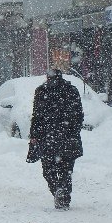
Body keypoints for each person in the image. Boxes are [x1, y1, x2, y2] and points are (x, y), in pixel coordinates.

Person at [27, 68, 84, 210]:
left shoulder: (41, 91)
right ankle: (63, 193)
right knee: (66, 170)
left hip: (48, 138)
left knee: (48, 170)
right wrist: (73, 132)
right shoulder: (71, 90)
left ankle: (58, 190)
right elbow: (78, 115)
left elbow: (37, 116)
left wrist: (35, 135)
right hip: (67, 138)